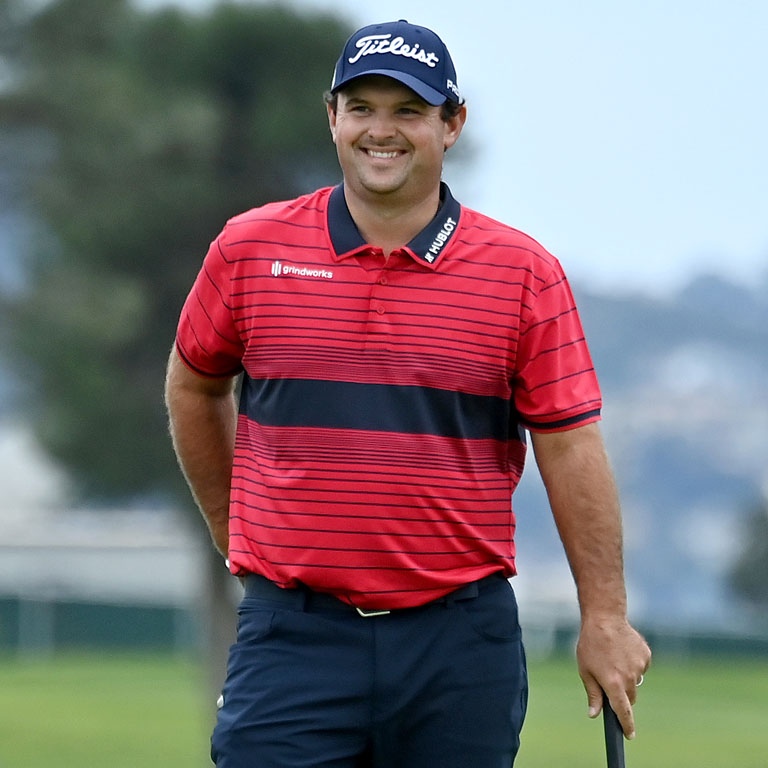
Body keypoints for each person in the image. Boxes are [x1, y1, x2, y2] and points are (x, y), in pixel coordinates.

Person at [165, 19, 651, 768]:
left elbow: (570, 446)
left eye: (408, 111)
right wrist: (237, 533)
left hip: (458, 643)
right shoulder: (250, 250)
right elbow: (195, 386)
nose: (380, 131)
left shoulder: (523, 273)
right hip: (293, 636)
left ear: (451, 124)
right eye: (361, 107)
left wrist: (606, 617)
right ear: (332, 117)